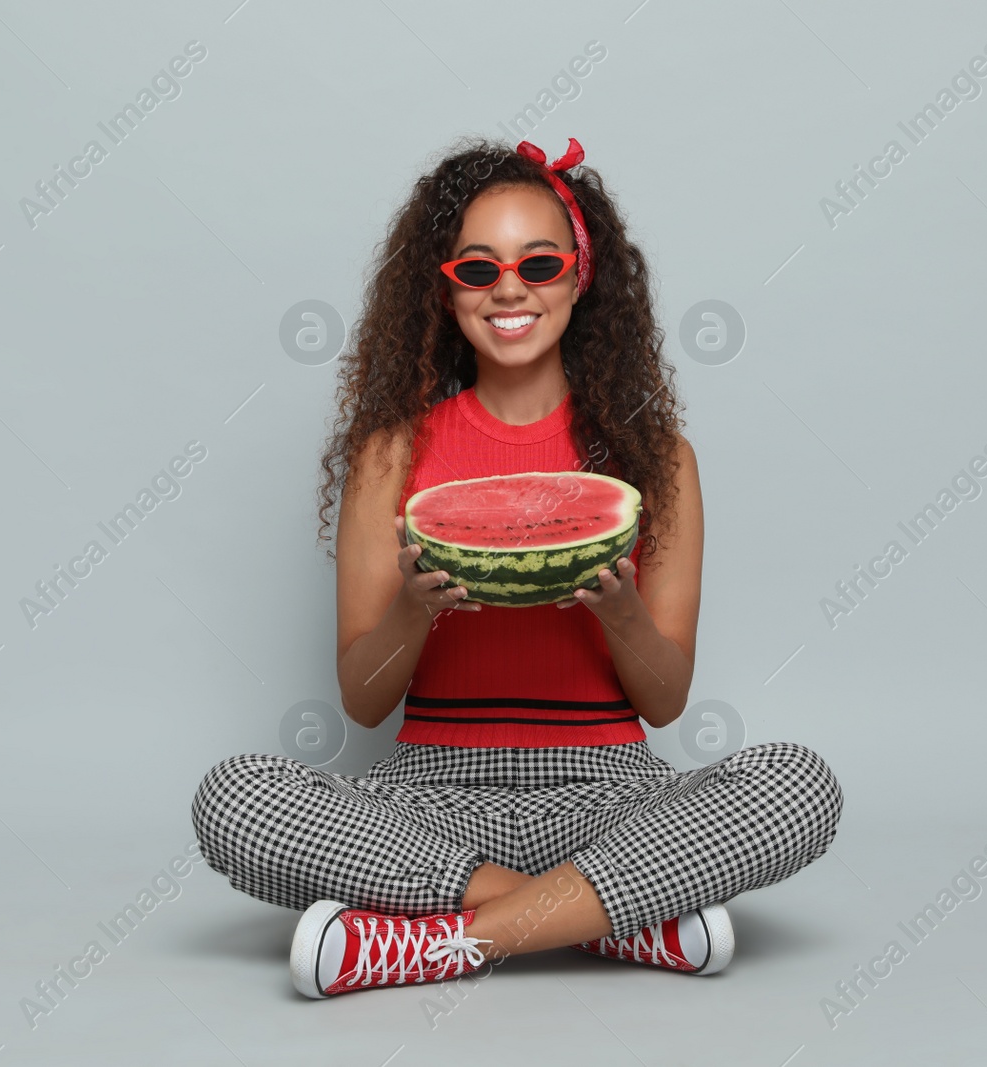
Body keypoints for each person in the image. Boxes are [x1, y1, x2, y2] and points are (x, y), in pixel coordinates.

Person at [191, 135, 844, 1000]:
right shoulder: (390, 456)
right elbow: (362, 698)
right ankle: (616, 920)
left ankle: (431, 943)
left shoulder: (659, 458)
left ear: (582, 275)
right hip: (429, 799)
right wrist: (415, 609)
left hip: (612, 796)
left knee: (799, 785)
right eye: (477, 269)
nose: (509, 289)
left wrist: (620, 614)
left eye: (540, 263)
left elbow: (664, 700)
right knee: (236, 797)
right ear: (445, 288)